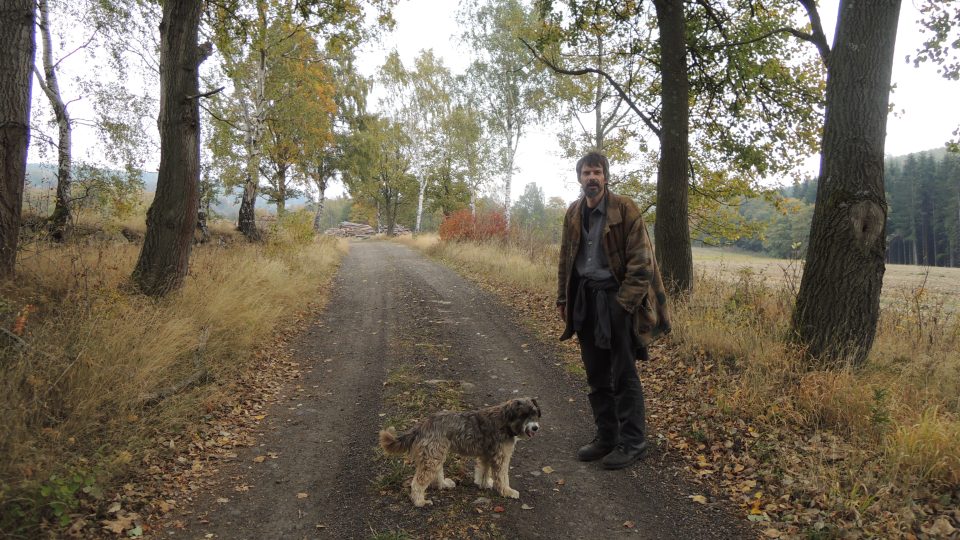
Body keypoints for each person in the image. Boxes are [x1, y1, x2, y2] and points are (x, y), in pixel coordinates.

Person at [556, 151, 671, 469]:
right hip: (585, 300)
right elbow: (566, 258)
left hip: (618, 301)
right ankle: (606, 436)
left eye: (597, 172)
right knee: (595, 372)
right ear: (579, 178)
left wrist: (624, 305)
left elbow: (641, 263)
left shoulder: (625, 208)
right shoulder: (574, 212)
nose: (591, 178)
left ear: (606, 177)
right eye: (586, 173)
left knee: (623, 372)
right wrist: (563, 299)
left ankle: (633, 441)